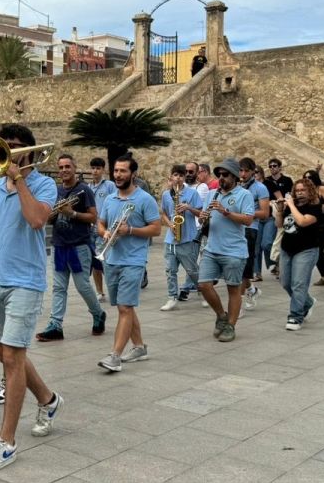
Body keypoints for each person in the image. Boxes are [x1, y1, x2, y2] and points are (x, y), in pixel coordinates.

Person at [0, 123, 62, 471]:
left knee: (12, 357)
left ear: (30, 152)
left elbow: (36, 220)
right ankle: (48, 399)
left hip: (26, 281)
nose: (9, 151)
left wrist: (19, 179)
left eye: (16, 146)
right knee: (4, 354)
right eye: (4, 145)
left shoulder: (44, 184)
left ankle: (6, 442)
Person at [96, 154, 161, 371]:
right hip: (111, 259)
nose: (118, 175)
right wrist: (105, 233)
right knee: (125, 307)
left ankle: (114, 356)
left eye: (123, 171)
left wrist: (130, 229)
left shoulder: (145, 199)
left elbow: (156, 229)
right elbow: (100, 223)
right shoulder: (110, 199)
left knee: (125, 307)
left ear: (133, 174)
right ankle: (139, 347)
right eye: (116, 171)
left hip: (133, 260)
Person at [37, 153, 106, 341]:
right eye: (61, 167)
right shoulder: (56, 190)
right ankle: (55, 325)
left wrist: (72, 213)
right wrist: (51, 216)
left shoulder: (84, 190)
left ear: (74, 168)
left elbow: (93, 217)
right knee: (58, 288)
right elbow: (48, 218)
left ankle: (98, 313)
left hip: (79, 246)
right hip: (59, 245)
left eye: (67, 166)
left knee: (82, 285)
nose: (64, 170)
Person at [195, 158, 255, 343]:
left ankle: (230, 326)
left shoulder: (244, 194)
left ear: (235, 176)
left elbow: (248, 220)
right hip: (212, 248)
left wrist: (225, 212)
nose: (221, 178)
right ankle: (221, 315)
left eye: (225, 174)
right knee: (203, 284)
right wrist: (203, 217)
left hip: (234, 251)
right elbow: (204, 219)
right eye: (219, 174)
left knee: (233, 289)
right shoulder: (212, 194)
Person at [274, 178, 321, 330]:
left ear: (310, 191)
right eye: (298, 190)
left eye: (303, 190)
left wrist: (291, 205)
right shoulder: (291, 206)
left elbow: (302, 221)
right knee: (285, 283)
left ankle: (295, 316)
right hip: (287, 248)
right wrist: (280, 210)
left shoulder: (315, 207)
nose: (300, 193)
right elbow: (279, 225)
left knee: (298, 284)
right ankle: (307, 302)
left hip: (306, 249)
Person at [159, 164, 201, 312]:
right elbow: (164, 213)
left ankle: (203, 292)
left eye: (181, 175)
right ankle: (172, 297)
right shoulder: (166, 194)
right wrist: (170, 224)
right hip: (171, 238)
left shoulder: (192, 193)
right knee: (170, 270)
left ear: (184, 178)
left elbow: (201, 214)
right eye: (175, 175)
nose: (178, 178)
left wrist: (188, 207)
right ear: (171, 177)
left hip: (187, 238)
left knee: (192, 270)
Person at [238, 158, 270, 309]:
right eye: (241, 170)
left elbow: (265, 213)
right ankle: (252, 290)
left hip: (250, 229)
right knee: (237, 265)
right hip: (235, 228)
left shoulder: (260, 188)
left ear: (252, 171)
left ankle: (238, 303)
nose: (243, 174)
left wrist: (246, 213)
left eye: (246, 171)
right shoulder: (236, 186)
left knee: (243, 266)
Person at [88, 156, 115, 301]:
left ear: (103, 170)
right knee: (95, 262)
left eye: (98, 168)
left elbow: (115, 203)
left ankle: (113, 287)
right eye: (93, 168)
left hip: (104, 228)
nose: (95, 171)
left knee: (105, 261)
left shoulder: (109, 185)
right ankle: (100, 292)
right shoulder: (88, 187)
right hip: (90, 228)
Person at [264, 159, 293, 277]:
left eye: (274, 166)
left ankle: (280, 266)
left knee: (282, 240)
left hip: (285, 212)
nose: (272, 168)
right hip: (271, 214)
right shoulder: (267, 181)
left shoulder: (287, 180)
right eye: (270, 166)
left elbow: (289, 195)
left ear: (280, 167)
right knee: (267, 243)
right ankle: (274, 263)